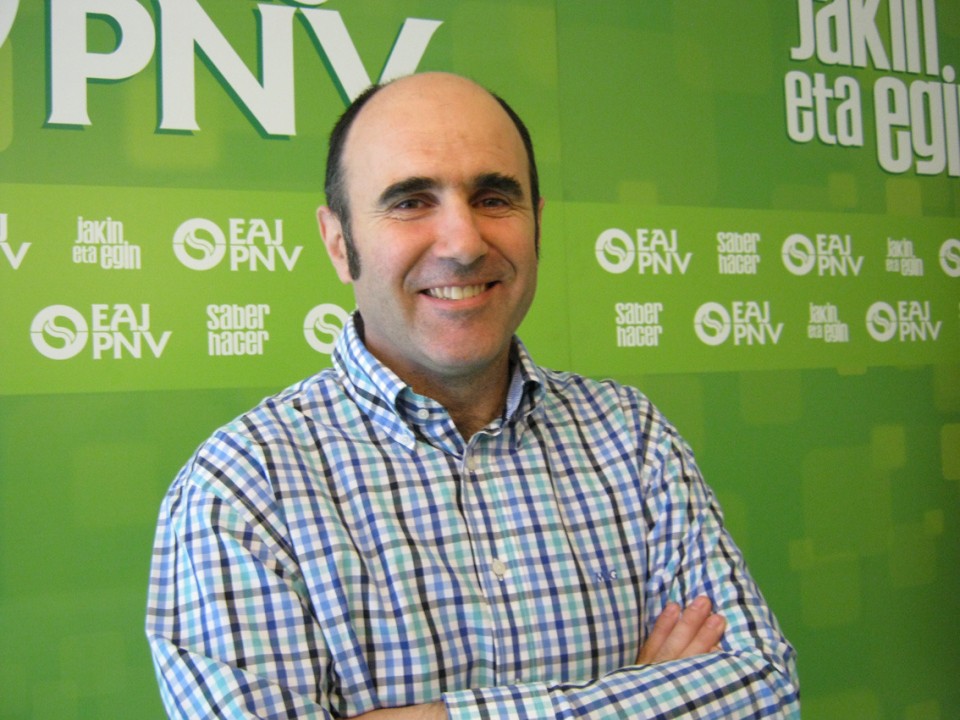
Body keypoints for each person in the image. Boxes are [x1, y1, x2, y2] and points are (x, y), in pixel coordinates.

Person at [146, 72, 800, 719]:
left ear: (536, 224)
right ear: (340, 243)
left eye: (493, 198)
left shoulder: (630, 435)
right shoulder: (243, 486)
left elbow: (764, 689)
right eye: (411, 202)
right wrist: (649, 697)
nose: (463, 243)